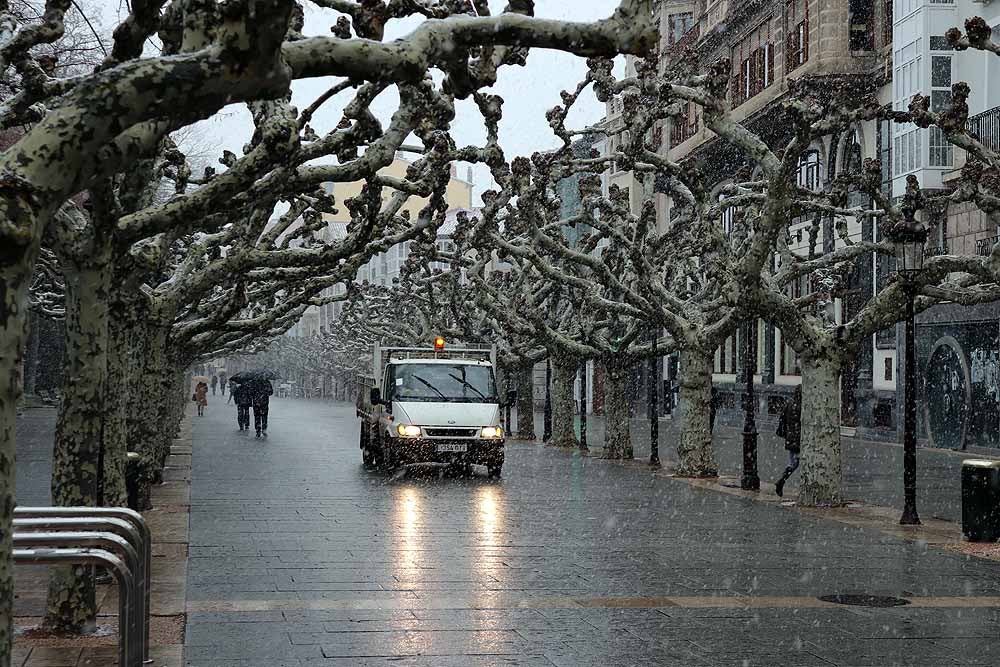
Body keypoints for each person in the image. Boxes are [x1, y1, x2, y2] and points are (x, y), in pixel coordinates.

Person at [774, 386, 802, 497]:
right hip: (801, 439)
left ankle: (782, 480)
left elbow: (782, 420)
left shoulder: (789, 404)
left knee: (793, 463)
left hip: (791, 438)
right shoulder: (804, 407)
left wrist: (786, 434)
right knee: (799, 463)